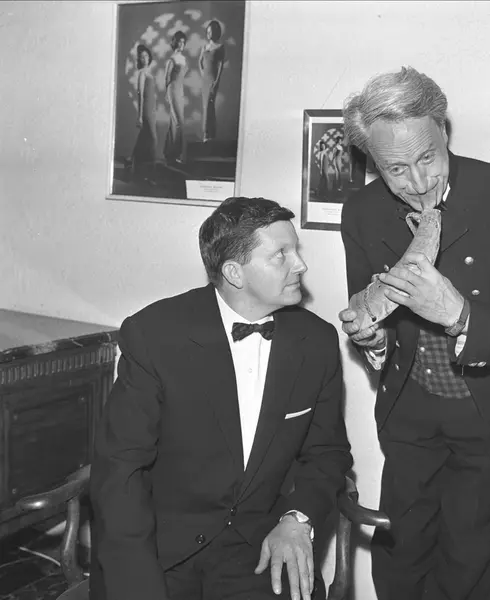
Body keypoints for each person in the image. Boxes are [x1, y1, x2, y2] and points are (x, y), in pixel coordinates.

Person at [338, 66, 490, 600]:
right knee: (397, 561)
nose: (419, 182)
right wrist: (371, 341)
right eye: (396, 169)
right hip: (408, 416)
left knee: (465, 569)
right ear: (372, 160)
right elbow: (376, 318)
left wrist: (460, 314)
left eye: (428, 157)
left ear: (443, 130)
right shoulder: (362, 212)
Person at [90, 196, 352, 600]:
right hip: (161, 548)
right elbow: (121, 469)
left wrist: (296, 520)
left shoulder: (315, 341)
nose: (300, 265)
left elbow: (327, 453)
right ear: (234, 272)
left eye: (296, 250)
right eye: (281, 254)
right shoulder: (154, 335)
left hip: (261, 547)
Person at [131, 44, 157, 183]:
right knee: (152, 139)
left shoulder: (150, 72)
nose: (144, 59)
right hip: (146, 109)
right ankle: (150, 173)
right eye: (142, 57)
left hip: (152, 108)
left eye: (146, 56)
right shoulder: (142, 73)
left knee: (144, 138)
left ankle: (135, 166)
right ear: (139, 60)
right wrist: (140, 116)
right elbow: (140, 95)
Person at [198, 19, 226, 143]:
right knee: (206, 107)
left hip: (213, 80)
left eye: (211, 32)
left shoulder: (220, 47)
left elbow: (220, 66)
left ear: (216, 32)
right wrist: (202, 73)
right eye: (207, 32)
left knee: (209, 105)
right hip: (205, 80)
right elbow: (199, 62)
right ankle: (208, 134)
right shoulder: (204, 47)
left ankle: (208, 134)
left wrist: (217, 81)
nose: (208, 34)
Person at [164, 30, 188, 164]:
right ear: (175, 43)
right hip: (172, 89)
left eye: (184, 42)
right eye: (180, 42)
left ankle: (169, 153)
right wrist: (167, 94)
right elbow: (167, 78)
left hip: (180, 90)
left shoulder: (183, 59)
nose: (182, 44)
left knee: (174, 122)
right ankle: (176, 154)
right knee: (178, 122)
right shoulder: (171, 59)